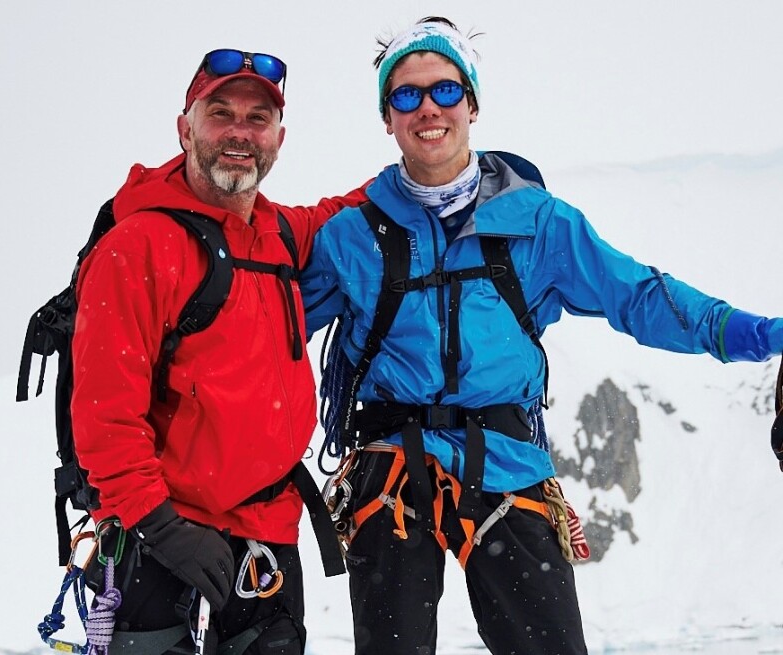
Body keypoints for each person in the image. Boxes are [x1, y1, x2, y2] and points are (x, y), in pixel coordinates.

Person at [300, 17, 783, 655]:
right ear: (386, 117)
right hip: (392, 473)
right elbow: (264, 327)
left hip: (506, 464)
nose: (427, 109)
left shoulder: (540, 225)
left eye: (444, 90)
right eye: (406, 95)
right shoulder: (350, 236)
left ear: (471, 103)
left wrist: (759, 336)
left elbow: (638, 297)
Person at [70, 48, 366, 654]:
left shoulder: (281, 233)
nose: (240, 132)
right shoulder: (138, 246)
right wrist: (161, 527)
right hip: (159, 533)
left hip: (266, 537)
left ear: (279, 138)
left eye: (258, 119)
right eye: (221, 113)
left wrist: (451, 164)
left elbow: (350, 209)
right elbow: (104, 415)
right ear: (185, 127)